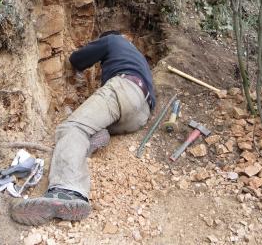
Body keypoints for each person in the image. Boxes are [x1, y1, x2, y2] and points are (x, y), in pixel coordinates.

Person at [10, 30, 156, 225]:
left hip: (123, 89)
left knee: (73, 128)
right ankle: (96, 138)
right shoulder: (135, 55)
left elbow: (77, 59)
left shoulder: (111, 40)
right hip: (141, 114)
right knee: (93, 125)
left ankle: (67, 191)